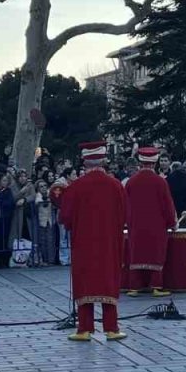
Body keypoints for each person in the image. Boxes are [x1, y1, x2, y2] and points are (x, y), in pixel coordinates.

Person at [58, 141, 128, 341]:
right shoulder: (115, 185)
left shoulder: (76, 187)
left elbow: (65, 218)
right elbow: (124, 214)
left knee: (85, 280)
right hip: (109, 241)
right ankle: (112, 327)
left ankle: (85, 328)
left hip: (83, 243)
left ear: (85, 161)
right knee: (108, 278)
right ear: (104, 160)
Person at [124, 147, 176, 297]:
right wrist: (172, 223)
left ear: (140, 163)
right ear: (154, 163)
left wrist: (127, 221)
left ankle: (135, 286)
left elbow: (126, 204)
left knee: (136, 252)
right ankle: (156, 286)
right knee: (156, 253)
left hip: (136, 224)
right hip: (156, 225)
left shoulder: (131, 182)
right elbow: (167, 205)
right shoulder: (160, 182)